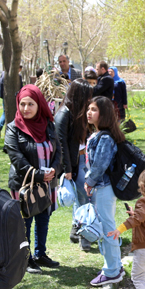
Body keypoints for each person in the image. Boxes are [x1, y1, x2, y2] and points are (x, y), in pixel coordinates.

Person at [4, 85, 62, 274]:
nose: (26, 108)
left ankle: (40, 254)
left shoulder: (48, 125)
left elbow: (58, 151)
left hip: (47, 183)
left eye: (31, 104)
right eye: (22, 104)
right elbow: (16, 157)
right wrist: (37, 174)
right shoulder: (13, 129)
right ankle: (26, 259)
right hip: (24, 184)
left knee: (43, 218)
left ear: (39, 105)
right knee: (25, 222)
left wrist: (55, 169)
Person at [85, 96, 125, 286]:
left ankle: (111, 271)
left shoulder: (106, 138)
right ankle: (115, 265)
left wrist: (90, 181)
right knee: (107, 227)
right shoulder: (99, 134)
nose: (89, 112)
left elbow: (100, 164)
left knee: (108, 229)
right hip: (101, 188)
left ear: (104, 114)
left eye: (94, 109)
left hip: (103, 188)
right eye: (89, 109)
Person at [55, 79, 93, 251]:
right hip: (73, 165)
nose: (90, 100)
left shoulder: (78, 112)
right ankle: (84, 235)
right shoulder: (64, 114)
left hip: (81, 161)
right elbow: (61, 144)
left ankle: (76, 230)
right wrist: (67, 170)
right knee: (83, 198)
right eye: (87, 96)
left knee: (83, 197)